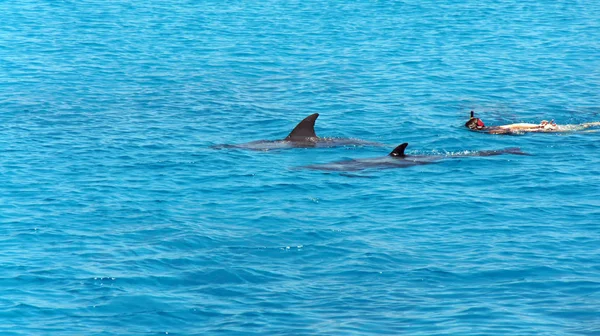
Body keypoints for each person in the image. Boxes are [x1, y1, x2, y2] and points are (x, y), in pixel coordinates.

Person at [465, 111, 600, 134]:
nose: (482, 120)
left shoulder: (489, 130)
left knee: (577, 129)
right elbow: (515, 127)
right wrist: (539, 127)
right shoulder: (493, 129)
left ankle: (595, 126)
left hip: (539, 130)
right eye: (479, 120)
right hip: (540, 131)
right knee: (575, 129)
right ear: (478, 125)